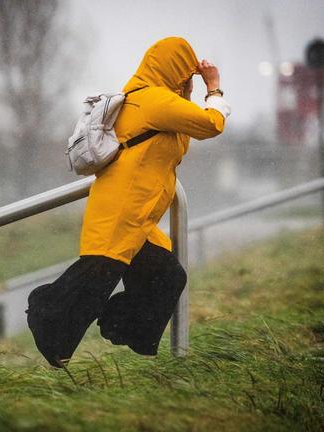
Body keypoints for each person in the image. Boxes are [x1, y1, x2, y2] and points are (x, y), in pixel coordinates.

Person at [27, 37, 231, 367]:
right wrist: (214, 88)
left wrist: (188, 94)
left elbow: (181, 140)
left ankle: (118, 327)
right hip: (121, 211)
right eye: (185, 74)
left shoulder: (153, 101)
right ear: (174, 69)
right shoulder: (152, 100)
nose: (186, 81)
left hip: (139, 217)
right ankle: (47, 320)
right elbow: (210, 124)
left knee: (166, 276)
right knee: (94, 281)